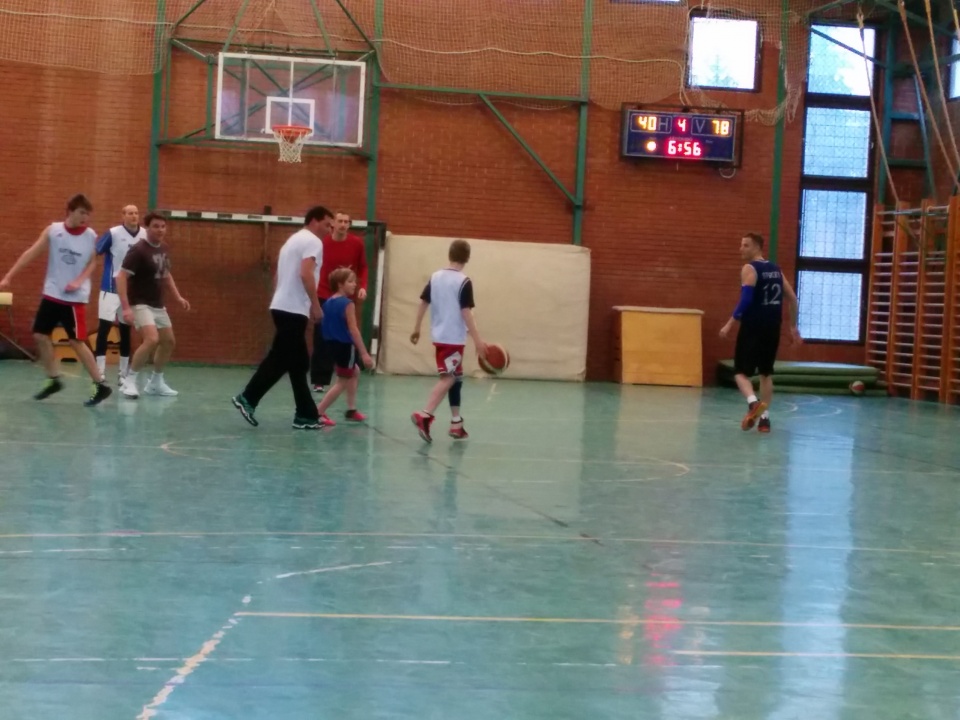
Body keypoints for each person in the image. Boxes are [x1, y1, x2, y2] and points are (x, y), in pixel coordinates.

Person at [0, 193, 112, 406]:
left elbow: (92, 263)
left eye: (87, 214)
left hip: (74, 298)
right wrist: (9, 276)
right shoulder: (53, 231)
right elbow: (31, 253)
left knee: (76, 341)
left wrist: (79, 281)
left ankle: (100, 384)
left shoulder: (90, 235)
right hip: (52, 293)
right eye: (82, 213)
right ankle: (53, 379)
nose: (85, 218)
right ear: (69, 211)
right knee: (40, 334)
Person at [232, 206, 334, 430]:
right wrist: (315, 306)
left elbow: (278, 276)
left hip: (283, 306)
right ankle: (248, 397)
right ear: (315, 221)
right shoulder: (313, 242)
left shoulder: (292, 241)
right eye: (327, 225)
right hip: (293, 309)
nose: (329, 230)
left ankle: (305, 415)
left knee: (298, 362)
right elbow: (306, 273)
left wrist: (279, 298)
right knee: (280, 359)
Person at [720, 232, 801, 434]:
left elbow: (746, 300)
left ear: (757, 247)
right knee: (766, 373)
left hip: (753, 325)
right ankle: (764, 420)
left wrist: (729, 324)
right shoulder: (776, 269)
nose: (741, 249)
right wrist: (792, 326)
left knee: (740, 372)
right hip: (773, 326)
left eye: (745, 245)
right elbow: (792, 298)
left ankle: (753, 403)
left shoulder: (750, 268)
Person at [410, 239, 488, 442]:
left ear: (450, 254)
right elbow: (466, 312)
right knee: (449, 378)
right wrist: (478, 341)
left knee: (456, 377)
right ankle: (425, 415)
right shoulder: (463, 281)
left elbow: (423, 302)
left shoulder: (435, 277)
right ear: (467, 257)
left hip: (439, 336)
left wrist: (417, 327)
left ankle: (456, 423)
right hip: (453, 338)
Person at [116, 212, 191, 399]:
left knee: (169, 341)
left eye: (163, 226)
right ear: (147, 228)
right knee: (151, 339)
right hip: (139, 303)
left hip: (157, 304)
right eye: (156, 226)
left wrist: (178, 297)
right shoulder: (138, 250)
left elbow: (166, 274)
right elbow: (121, 277)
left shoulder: (164, 248)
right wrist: (125, 307)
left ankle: (156, 383)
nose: (160, 230)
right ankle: (129, 381)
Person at [311, 211, 369, 392]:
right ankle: (320, 379)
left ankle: (349, 370)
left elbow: (363, 267)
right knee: (322, 335)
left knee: (348, 332)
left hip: (345, 298)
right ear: (333, 224)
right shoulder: (322, 243)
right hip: (324, 294)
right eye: (340, 221)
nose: (343, 224)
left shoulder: (356, 243)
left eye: (346, 222)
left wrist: (363, 286)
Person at [315, 268, 375, 426]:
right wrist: (364, 353)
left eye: (355, 281)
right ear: (340, 284)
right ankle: (319, 411)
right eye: (350, 281)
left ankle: (351, 410)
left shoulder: (328, 302)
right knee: (342, 381)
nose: (355, 284)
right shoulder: (348, 304)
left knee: (354, 371)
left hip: (331, 345)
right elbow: (353, 329)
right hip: (345, 346)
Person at [94, 204, 145, 384]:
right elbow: (96, 251)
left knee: (125, 331)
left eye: (136, 213)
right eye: (130, 213)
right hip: (110, 288)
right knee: (104, 329)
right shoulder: (113, 233)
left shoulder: (144, 235)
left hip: (130, 291)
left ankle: (123, 374)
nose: (134, 216)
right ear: (123, 215)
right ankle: (99, 371)